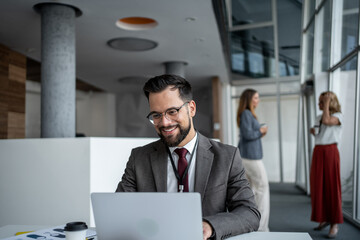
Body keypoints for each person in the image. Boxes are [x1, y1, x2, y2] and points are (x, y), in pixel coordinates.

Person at [116, 74, 260, 240]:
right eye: (156, 115)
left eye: (172, 111)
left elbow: (249, 213)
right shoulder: (139, 157)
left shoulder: (227, 156)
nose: (164, 122)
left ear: (191, 108)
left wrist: (209, 226)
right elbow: (120, 210)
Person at [310, 91, 343, 239]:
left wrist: (327, 105)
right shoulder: (319, 117)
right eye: (320, 102)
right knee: (319, 187)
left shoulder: (338, 116)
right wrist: (313, 131)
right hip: (318, 151)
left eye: (322, 102)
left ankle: (334, 223)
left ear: (330, 102)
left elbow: (328, 121)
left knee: (331, 186)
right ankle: (323, 218)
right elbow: (318, 132)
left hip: (330, 151)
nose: (319, 105)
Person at [236, 88, 270, 232]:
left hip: (249, 156)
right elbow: (248, 134)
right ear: (249, 99)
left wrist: (259, 133)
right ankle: (261, 228)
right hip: (250, 158)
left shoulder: (248, 114)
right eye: (255, 98)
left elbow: (248, 134)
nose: (258, 100)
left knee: (253, 190)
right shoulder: (246, 114)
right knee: (262, 189)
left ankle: (253, 225)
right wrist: (261, 131)